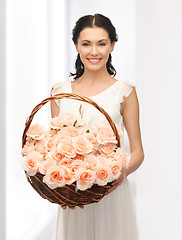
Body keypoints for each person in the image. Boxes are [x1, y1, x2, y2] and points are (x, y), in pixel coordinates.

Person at [50, 13, 144, 240]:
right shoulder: (58, 92)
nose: (94, 52)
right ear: (76, 46)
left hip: (111, 193)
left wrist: (116, 176)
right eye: (86, 44)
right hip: (74, 195)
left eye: (101, 44)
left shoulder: (125, 91)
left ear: (112, 46)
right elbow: (54, 149)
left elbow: (138, 152)